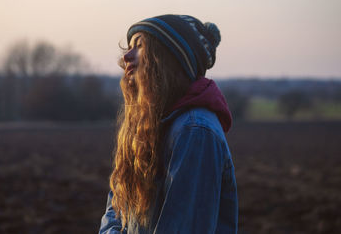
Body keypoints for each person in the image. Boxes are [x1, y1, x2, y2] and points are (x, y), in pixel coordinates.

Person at [99, 14, 238, 234]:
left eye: (140, 45)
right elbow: (117, 211)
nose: (127, 55)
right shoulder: (148, 128)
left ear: (166, 59)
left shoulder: (195, 131)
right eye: (128, 46)